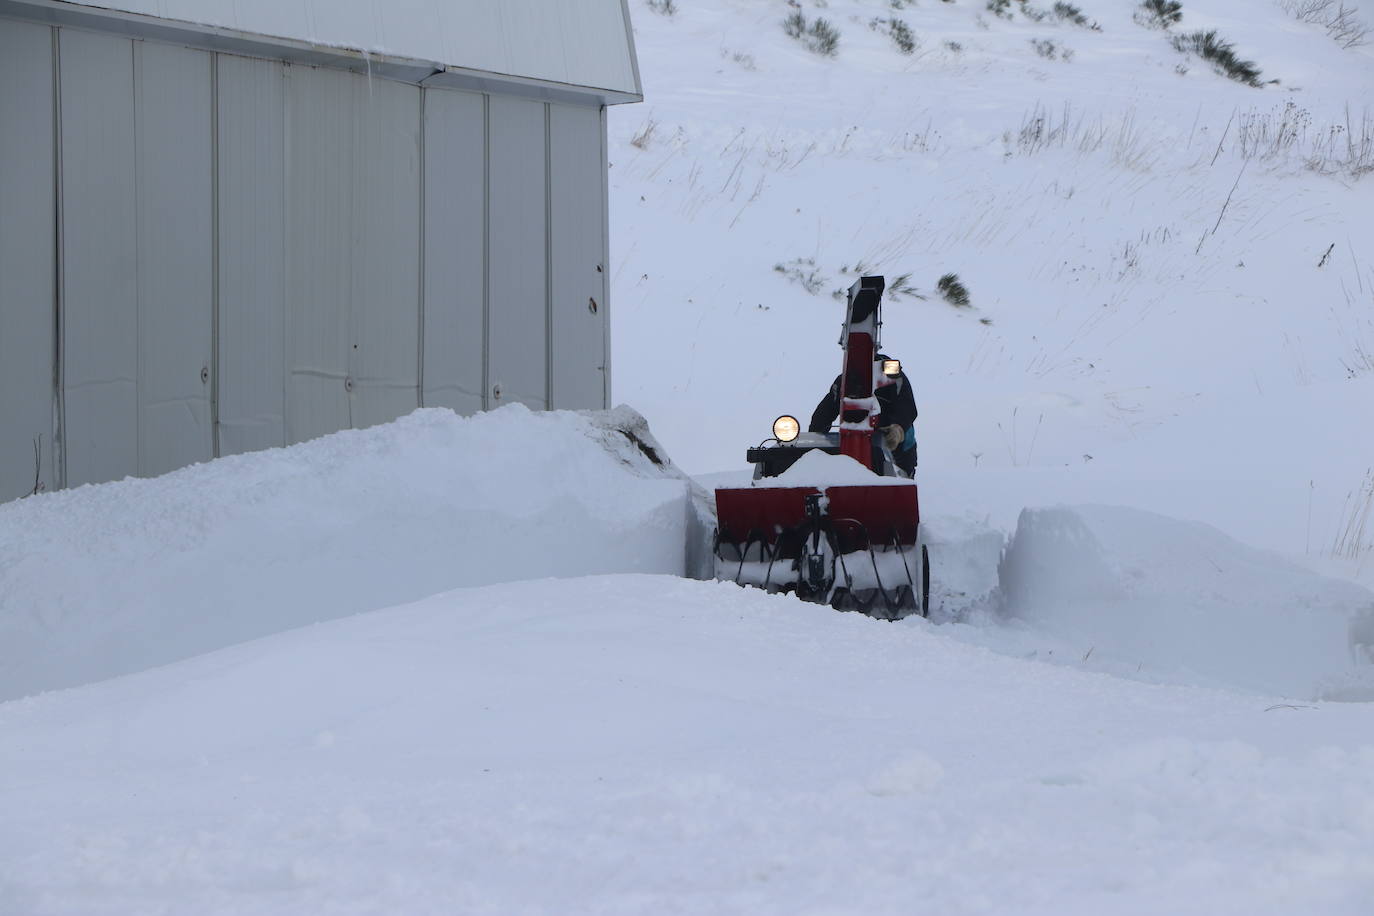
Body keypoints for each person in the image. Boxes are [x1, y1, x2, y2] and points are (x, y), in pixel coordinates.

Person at [808, 354, 918, 475]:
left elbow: (907, 407)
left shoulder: (894, 378)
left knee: (898, 478)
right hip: (856, 441)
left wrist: (898, 429)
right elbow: (824, 412)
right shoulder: (843, 382)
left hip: (897, 446)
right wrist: (815, 442)